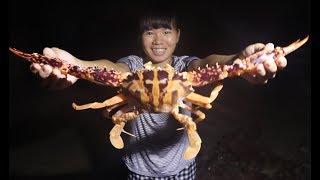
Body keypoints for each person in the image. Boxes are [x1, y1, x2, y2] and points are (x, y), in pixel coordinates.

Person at [28, 12, 287, 180]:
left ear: (178, 37)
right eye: (149, 32)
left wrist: (237, 61)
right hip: (138, 169)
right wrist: (78, 64)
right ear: (140, 38)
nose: (158, 39)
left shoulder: (185, 69)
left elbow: (207, 65)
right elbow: (113, 69)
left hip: (181, 166)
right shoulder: (131, 69)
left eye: (166, 31)